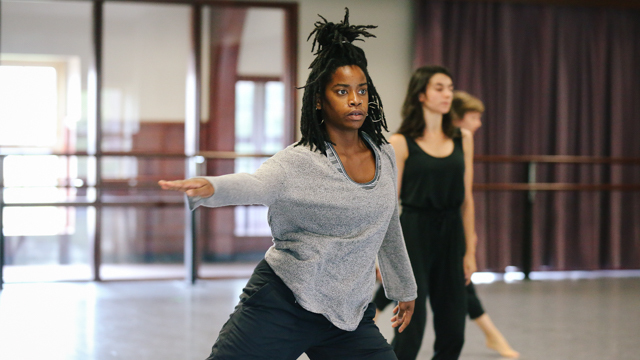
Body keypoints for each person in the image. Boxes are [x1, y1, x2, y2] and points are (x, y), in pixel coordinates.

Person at [159, 9, 417, 360]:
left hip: (348, 314)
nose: (355, 99)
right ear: (318, 101)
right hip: (283, 302)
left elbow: (389, 224)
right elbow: (257, 184)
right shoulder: (298, 161)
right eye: (342, 91)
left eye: (361, 90)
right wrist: (211, 187)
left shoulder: (384, 155)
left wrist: (403, 287)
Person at [372, 66, 476, 360]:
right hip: (414, 232)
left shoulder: (463, 138)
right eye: (439, 88)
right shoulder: (401, 143)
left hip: (452, 232)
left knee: (454, 329)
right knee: (410, 329)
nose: (447, 94)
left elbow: (467, 198)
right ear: (421, 95)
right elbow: (389, 205)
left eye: (450, 88)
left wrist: (470, 250)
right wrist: (383, 255)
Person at [450, 90, 519, 359]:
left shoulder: (464, 142)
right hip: (429, 223)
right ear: (457, 118)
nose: (478, 123)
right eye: (474, 117)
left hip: (454, 224)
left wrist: (470, 234)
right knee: (458, 282)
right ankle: (494, 336)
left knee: (460, 281)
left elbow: (465, 195)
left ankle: (493, 336)